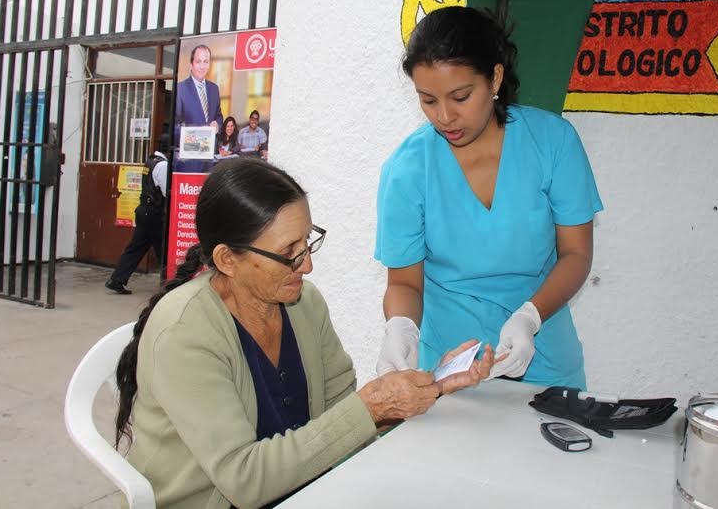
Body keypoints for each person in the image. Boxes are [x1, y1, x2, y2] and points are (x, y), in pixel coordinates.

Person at [114, 158, 494, 509]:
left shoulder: (303, 304)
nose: (307, 265)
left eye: (308, 242)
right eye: (289, 252)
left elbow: (344, 418)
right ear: (227, 259)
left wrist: (428, 387)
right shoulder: (185, 333)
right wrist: (372, 406)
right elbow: (244, 481)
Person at [374, 6, 603, 390]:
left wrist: (530, 317)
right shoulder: (407, 169)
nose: (445, 116)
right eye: (428, 100)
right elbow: (405, 284)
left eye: (460, 97)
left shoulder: (553, 143)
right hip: (451, 366)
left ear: (494, 78)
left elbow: (576, 254)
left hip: (542, 355)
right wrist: (400, 330)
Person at [105, 136, 169, 294]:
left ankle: (116, 280)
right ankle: (169, 286)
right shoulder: (163, 165)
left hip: (144, 211)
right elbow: (165, 191)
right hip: (154, 213)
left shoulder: (151, 160)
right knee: (164, 251)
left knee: (135, 248)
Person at [174, 44, 224, 144]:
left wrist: (217, 124)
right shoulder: (180, 88)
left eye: (205, 62)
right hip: (190, 150)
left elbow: (218, 116)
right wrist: (193, 135)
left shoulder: (214, 89)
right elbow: (175, 124)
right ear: (191, 65)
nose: (202, 66)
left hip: (210, 151)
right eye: (198, 62)